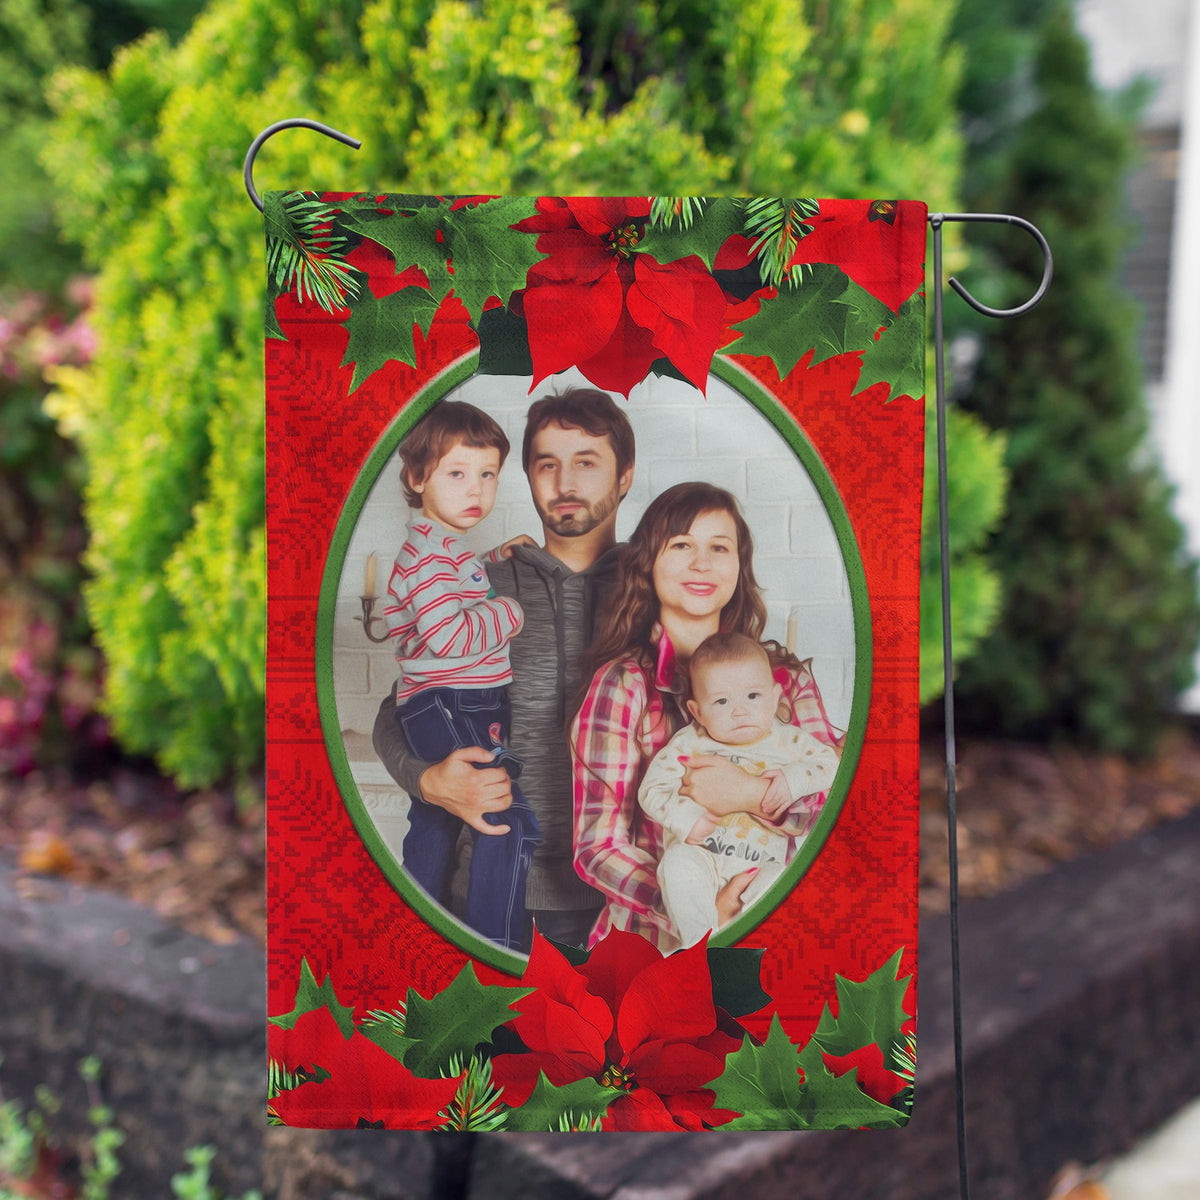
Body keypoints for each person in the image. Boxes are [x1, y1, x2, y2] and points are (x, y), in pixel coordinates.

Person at [373, 387, 636, 951]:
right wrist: (427, 781)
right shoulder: (478, 585)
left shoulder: (660, 584)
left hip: (630, 904)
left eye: (586, 463)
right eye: (547, 465)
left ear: (625, 477)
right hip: (492, 898)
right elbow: (397, 710)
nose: (565, 484)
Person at [570, 481, 842, 953]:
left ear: (739, 566)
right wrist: (693, 910)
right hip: (646, 945)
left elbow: (834, 812)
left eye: (719, 547)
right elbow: (598, 847)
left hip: (765, 919)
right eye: (681, 545)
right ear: (649, 562)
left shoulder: (786, 681)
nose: (702, 563)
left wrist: (752, 793)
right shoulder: (624, 685)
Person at [382, 400, 536, 951]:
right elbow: (449, 637)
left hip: (448, 700)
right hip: (451, 700)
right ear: (417, 477)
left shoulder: (443, 549)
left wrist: (496, 557)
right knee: (504, 820)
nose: (476, 489)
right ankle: (497, 951)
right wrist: (510, 612)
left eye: (487, 474)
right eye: (457, 473)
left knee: (436, 821)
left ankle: (418, 936)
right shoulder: (425, 557)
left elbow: (458, 587)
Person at [637, 631, 841, 948]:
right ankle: (697, 948)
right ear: (697, 711)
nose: (739, 711)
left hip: (759, 867)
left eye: (753, 697)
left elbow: (830, 764)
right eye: (721, 701)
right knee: (677, 865)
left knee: (781, 880)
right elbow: (651, 789)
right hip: (701, 858)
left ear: (775, 698)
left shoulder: (787, 740)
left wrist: (793, 781)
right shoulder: (690, 743)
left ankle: (747, 944)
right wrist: (687, 818)